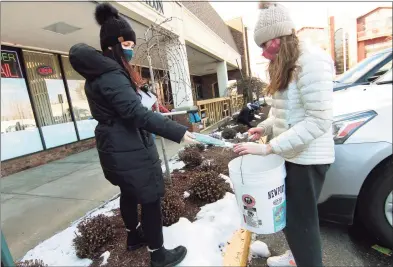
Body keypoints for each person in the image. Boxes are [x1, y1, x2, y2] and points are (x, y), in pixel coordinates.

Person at [69, 3, 195, 267]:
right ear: (112, 44)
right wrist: (178, 131)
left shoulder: (98, 74)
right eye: (126, 42)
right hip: (129, 146)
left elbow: (124, 109)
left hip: (115, 146)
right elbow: (135, 113)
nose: (131, 48)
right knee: (149, 198)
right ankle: (158, 254)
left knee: (128, 192)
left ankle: (134, 237)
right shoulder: (113, 75)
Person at [234, 2, 335, 267]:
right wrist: (265, 128)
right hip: (291, 153)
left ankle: (307, 261)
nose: (264, 54)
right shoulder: (288, 63)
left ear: (280, 38)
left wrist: (269, 148)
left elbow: (318, 120)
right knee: (290, 217)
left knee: (301, 222)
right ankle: (296, 257)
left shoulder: (312, 61)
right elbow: (284, 112)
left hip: (308, 157)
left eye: (265, 46)